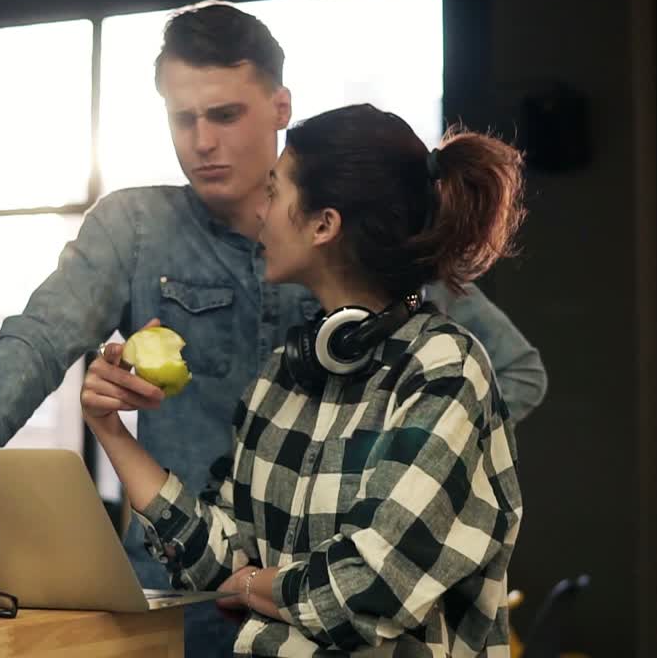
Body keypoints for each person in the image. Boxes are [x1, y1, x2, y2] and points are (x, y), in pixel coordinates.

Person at [0, 2, 544, 656]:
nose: (201, 142)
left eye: (225, 115)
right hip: (185, 578)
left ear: (281, 107)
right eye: (182, 118)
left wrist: (415, 458)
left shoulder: (420, 330)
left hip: (333, 605)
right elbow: (36, 340)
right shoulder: (140, 232)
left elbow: (509, 378)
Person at [82, 103, 525, 656]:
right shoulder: (280, 379)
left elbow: (364, 589)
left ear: (323, 224)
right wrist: (111, 430)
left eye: (274, 192)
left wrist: (247, 585)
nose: (260, 215)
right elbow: (214, 561)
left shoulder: (442, 369)